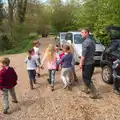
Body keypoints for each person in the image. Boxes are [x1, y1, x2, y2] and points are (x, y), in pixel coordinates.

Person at [79, 28, 99, 99]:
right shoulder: (92, 41)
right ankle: (86, 89)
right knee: (87, 77)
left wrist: (80, 63)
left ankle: (95, 93)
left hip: (87, 63)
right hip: (92, 62)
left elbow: (83, 54)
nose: (81, 34)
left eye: (82, 33)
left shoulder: (85, 42)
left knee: (86, 79)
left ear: (86, 33)